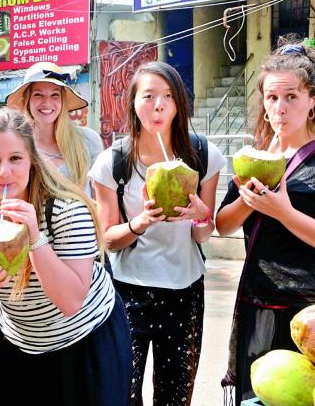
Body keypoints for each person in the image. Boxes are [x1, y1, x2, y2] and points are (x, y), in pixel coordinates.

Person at [0, 108, 131, 405]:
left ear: (32, 160)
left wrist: (34, 237)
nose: (4, 172)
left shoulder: (65, 210)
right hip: (20, 348)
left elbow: (71, 301)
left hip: (86, 341)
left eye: (15, 159)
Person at [88, 61, 226, 405]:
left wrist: (200, 216)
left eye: (168, 96)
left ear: (179, 104)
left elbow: (203, 234)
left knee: (175, 397)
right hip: (128, 293)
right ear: (133, 103)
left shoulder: (203, 156)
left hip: (185, 291)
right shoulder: (112, 163)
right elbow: (108, 239)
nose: (159, 105)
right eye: (148, 96)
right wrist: (140, 223)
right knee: (124, 394)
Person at [215, 38, 315, 401]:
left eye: (291, 97)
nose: (280, 108)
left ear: (313, 99)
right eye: (271, 98)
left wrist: (284, 212)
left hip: (314, 313)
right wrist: (252, 201)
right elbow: (222, 224)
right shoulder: (253, 158)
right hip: (258, 305)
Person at [6, 62, 103, 193]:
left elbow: (100, 200)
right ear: (27, 100)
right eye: (38, 95)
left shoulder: (89, 140)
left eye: (55, 95)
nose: (47, 103)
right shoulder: (17, 145)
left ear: (62, 100)